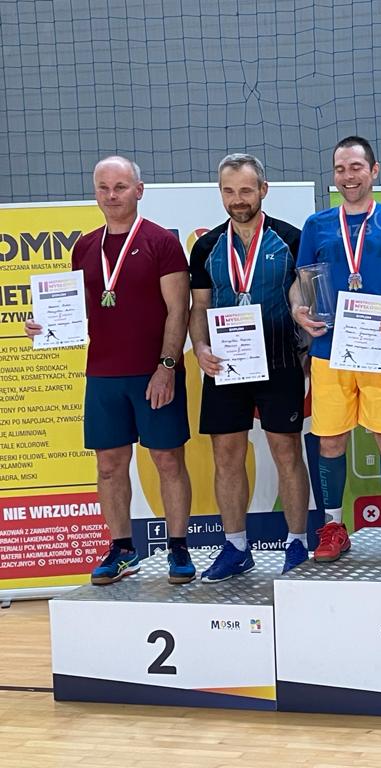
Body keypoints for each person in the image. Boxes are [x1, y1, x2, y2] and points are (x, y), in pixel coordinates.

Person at [26, 156, 194, 585]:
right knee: (108, 465)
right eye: (103, 188)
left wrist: (167, 367)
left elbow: (179, 310)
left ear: (139, 190)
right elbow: (78, 310)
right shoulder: (84, 247)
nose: (111, 195)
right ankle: (122, 549)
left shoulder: (162, 242)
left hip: (153, 372)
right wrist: (45, 325)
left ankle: (178, 547)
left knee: (167, 460)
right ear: (95, 192)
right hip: (102, 375)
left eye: (120, 187)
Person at [292, 136, 381, 562]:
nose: (348, 176)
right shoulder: (316, 225)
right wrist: (298, 309)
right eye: (340, 169)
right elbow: (300, 283)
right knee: (330, 440)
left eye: (356, 167)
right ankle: (334, 527)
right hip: (328, 350)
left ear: (374, 171)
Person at [188, 153, 311, 580]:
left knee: (286, 451)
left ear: (263, 189)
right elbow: (199, 307)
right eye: (229, 191)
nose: (237, 199)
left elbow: (300, 296)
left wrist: (302, 323)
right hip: (226, 363)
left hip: (280, 360)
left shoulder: (291, 239)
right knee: (226, 455)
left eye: (245, 190)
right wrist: (200, 346)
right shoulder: (206, 246)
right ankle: (236, 547)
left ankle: (297, 542)